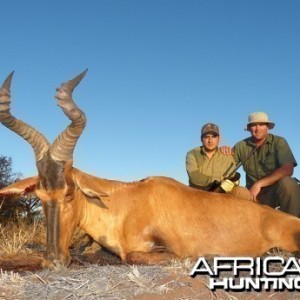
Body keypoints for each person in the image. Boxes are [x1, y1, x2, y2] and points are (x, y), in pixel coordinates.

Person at [232, 111, 300, 217]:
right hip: (252, 196)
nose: (257, 128)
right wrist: (223, 151)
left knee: (288, 183)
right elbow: (226, 165)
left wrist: (259, 184)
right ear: (249, 128)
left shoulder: (279, 142)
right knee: (239, 191)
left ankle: (294, 227)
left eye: (261, 124)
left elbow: (288, 169)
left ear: (267, 127)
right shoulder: (241, 146)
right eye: (254, 125)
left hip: (274, 192)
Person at [186, 123, 251, 200]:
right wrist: (219, 180)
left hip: (222, 194)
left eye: (214, 136)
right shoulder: (192, 154)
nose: (210, 140)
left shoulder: (227, 155)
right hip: (199, 193)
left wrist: (232, 183)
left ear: (219, 138)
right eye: (206, 137)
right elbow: (194, 177)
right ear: (201, 139)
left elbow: (233, 179)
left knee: (242, 192)